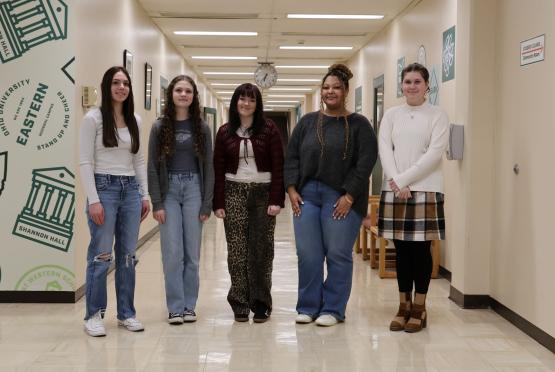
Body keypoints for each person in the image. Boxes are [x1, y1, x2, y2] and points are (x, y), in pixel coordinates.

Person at [284, 64, 378, 327]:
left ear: (346, 91)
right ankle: (308, 306)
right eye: (326, 87)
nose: (330, 91)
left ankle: (333, 309)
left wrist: (349, 196)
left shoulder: (360, 125)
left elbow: (365, 163)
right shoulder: (307, 122)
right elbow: (291, 157)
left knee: (337, 253)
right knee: (309, 254)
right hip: (307, 196)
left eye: (336, 87)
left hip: (341, 197)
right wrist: (291, 190)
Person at [377, 62, 449, 333]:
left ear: (427, 85)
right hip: (395, 188)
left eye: (417, 81)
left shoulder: (437, 115)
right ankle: (403, 305)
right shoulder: (392, 115)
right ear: (402, 85)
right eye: (407, 81)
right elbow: (385, 148)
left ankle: (420, 307)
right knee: (402, 250)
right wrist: (396, 182)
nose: (412, 86)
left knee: (420, 251)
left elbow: (434, 153)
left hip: (426, 188)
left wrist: (404, 180)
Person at [80, 66, 150, 337]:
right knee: (101, 255)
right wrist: (94, 200)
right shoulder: (93, 118)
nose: (122, 87)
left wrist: (144, 194)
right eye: (116, 83)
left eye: (126, 83)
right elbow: (85, 161)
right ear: (107, 86)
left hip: (130, 190)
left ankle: (126, 314)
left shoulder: (135, 119)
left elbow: (138, 159)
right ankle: (94, 315)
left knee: (128, 256)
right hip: (103, 188)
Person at [213, 83, 284, 323]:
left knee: (262, 250)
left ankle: (261, 303)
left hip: (263, 193)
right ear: (235, 102)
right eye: (241, 99)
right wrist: (218, 202)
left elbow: (278, 166)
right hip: (233, 191)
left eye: (251, 100)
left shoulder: (270, 129)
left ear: (257, 104)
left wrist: (277, 198)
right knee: (237, 250)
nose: (246, 103)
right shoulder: (224, 132)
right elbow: (218, 169)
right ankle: (240, 302)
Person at [147, 75, 214, 324]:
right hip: (169, 191)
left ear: (194, 96)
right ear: (171, 94)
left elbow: (209, 167)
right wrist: (157, 203)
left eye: (188, 91)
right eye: (179, 90)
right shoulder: (159, 127)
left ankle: (189, 305)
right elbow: (152, 167)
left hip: (194, 187)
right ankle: (175, 306)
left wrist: (207, 202)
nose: (183, 94)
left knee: (192, 254)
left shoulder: (202, 128)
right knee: (172, 253)